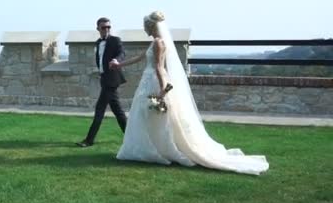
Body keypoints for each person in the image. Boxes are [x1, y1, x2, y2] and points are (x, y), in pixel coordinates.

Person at [110, 11, 269, 175]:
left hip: (153, 82)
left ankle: (158, 149)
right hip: (149, 80)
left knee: (153, 116)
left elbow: (159, 67)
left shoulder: (158, 43)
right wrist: (118, 64)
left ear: (151, 26)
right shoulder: (155, 42)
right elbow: (139, 57)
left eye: (145, 26)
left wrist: (163, 90)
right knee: (149, 116)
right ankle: (153, 148)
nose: (144, 29)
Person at [76, 17, 128, 148]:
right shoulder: (98, 42)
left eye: (108, 27)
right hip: (104, 79)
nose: (106, 29)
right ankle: (131, 137)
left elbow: (122, 52)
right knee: (118, 111)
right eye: (104, 27)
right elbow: (100, 60)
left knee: (99, 110)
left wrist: (116, 60)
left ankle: (89, 140)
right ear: (98, 28)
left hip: (112, 80)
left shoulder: (115, 40)